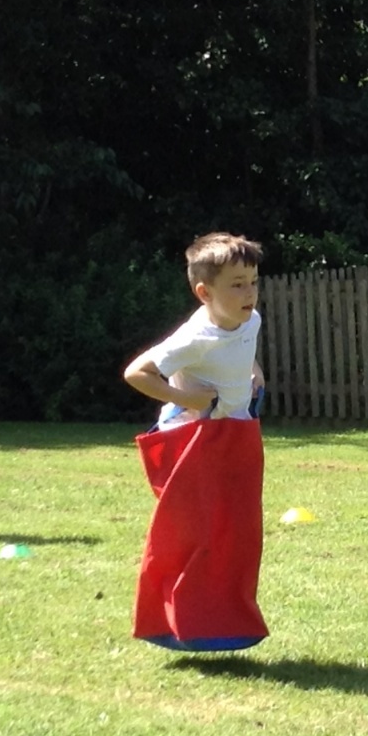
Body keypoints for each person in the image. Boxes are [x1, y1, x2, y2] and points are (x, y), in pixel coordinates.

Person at [122, 232, 269, 650]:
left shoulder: (250, 320)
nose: (249, 293)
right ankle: (173, 625)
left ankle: (225, 623)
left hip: (235, 434)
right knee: (193, 536)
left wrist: (253, 372)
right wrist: (188, 399)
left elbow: (241, 348)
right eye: (237, 285)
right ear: (204, 293)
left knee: (236, 535)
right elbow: (136, 373)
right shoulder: (194, 339)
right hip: (193, 442)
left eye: (253, 282)